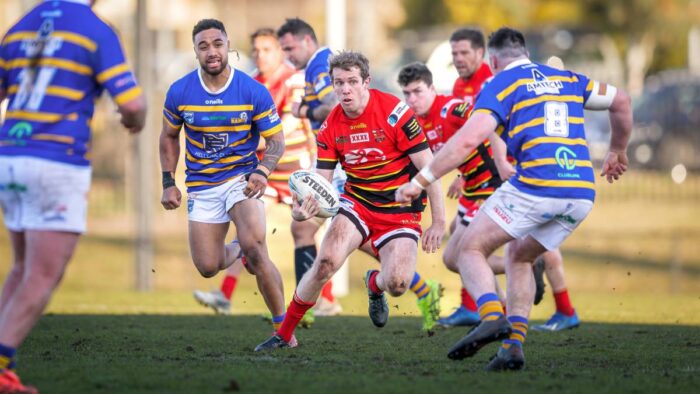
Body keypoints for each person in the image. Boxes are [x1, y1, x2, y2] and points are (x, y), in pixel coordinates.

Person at [396, 27, 631, 371]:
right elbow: (621, 100)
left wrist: (420, 181)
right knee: (519, 256)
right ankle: (513, 348)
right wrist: (618, 150)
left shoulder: (499, 83)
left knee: (468, 250)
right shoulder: (567, 77)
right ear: (524, 51)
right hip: (580, 191)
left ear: (492, 60)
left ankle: (492, 315)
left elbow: (467, 140)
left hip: (537, 184)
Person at [254, 51, 446, 351]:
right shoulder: (331, 126)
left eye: (352, 82)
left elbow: (429, 167)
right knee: (325, 262)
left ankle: (374, 284)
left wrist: (439, 221)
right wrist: (305, 208)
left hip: (400, 209)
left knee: (397, 284)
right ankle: (284, 334)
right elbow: (322, 183)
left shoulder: (395, 113)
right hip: (358, 202)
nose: (344, 90)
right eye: (338, 83)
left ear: (366, 82)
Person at [0, 0, 147, 391]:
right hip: (56, 160)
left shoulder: (20, 27)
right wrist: (135, 121)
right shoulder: (94, 28)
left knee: (21, 269)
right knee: (43, 274)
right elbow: (131, 102)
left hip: (10, 157)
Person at [159, 19, 289, 339]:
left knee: (257, 248)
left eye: (217, 44)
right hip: (202, 186)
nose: (212, 52)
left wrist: (262, 171)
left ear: (228, 46)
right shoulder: (180, 91)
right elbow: (168, 137)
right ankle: (239, 250)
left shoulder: (251, 90)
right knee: (207, 266)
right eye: (203, 46)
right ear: (195, 51)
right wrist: (167, 182)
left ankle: (284, 330)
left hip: (242, 179)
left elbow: (276, 141)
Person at [191, 27, 330, 319]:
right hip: (264, 171)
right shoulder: (251, 81)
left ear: (279, 52)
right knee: (250, 237)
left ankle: (325, 298)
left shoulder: (294, 80)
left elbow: (296, 124)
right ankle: (225, 294)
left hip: (297, 168)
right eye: (256, 50)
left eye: (267, 49)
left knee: (312, 229)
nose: (260, 55)